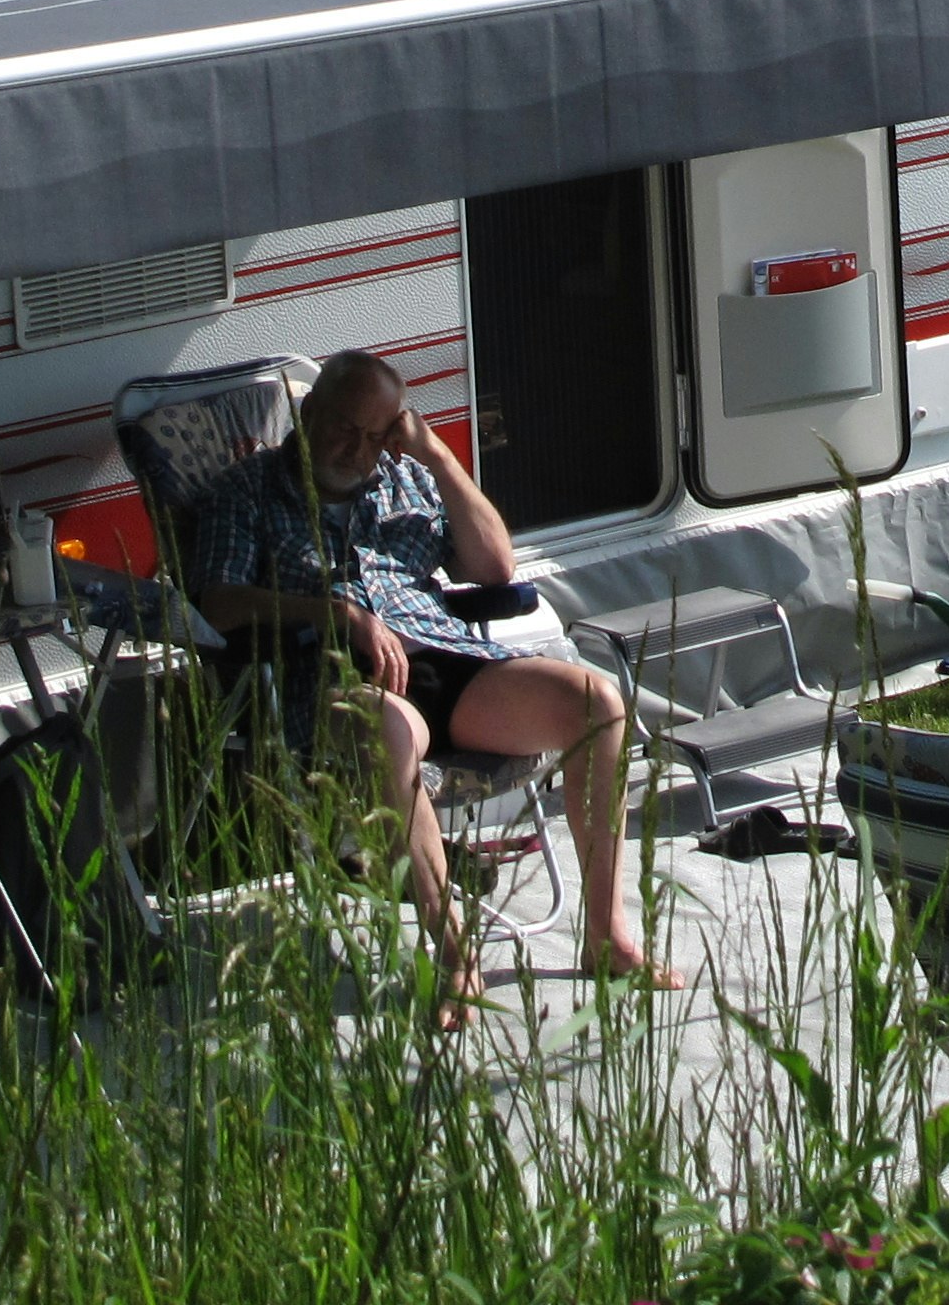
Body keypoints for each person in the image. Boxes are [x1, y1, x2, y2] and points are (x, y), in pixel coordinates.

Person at [177, 348, 684, 1005]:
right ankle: (451, 957)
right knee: (383, 727)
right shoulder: (248, 489)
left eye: (375, 435)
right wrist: (334, 614)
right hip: (337, 675)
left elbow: (496, 568)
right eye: (343, 429)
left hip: (447, 664)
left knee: (597, 702)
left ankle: (606, 937)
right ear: (310, 413)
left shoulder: (403, 479)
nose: (358, 451)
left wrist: (438, 458)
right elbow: (217, 602)